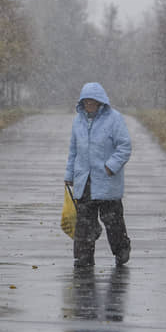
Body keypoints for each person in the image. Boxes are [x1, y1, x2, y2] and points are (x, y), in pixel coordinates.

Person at [64, 82, 132, 268]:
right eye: (86, 102)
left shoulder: (114, 119)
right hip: (84, 181)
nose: (89, 106)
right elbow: (73, 151)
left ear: (101, 102)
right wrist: (69, 174)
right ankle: (83, 258)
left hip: (107, 181)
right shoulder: (78, 120)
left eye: (93, 102)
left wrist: (111, 166)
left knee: (113, 221)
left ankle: (121, 249)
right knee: (84, 222)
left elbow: (124, 147)